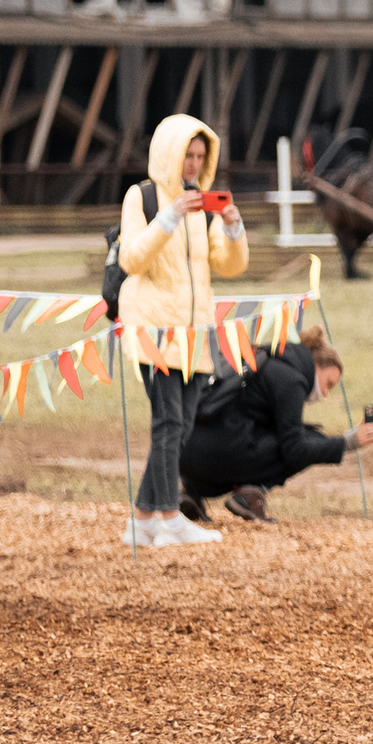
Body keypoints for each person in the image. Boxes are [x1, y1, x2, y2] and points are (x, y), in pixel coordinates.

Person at [115, 113, 250, 547]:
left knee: (182, 424)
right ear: (169, 154)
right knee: (169, 422)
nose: (192, 164)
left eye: (199, 156)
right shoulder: (142, 197)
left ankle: (142, 519)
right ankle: (169, 515)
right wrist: (168, 218)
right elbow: (131, 259)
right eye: (187, 155)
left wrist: (232, 227)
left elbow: (230, 266)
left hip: (194, 333)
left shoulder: (201, 203)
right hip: (153, 329)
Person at [178, 324, 373, 522]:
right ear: (316, 365)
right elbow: (295, 449)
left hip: (186, 454)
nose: (326, 394)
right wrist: (348, 442)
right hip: (216, 454)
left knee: (268, 437)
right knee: (310, 439)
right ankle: (249, 497)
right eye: (329, 384)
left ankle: (191, 492)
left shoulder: (269, 358)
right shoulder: (291, 380)